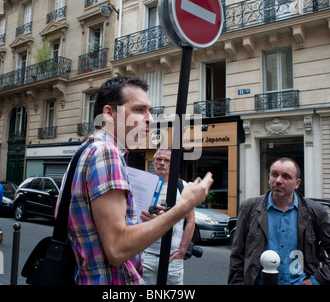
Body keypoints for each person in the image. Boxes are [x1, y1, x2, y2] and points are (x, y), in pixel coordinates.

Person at [55, 76, 213, 285]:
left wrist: (133, 219)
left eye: (149, 111)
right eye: (139, 110)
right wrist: (184, 206)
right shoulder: (106, 153)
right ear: (109, 113)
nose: (150, 119)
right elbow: (117, 249)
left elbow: (63, 214)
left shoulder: (85, 149)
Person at [228, 157, 330, 285]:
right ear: (269, 177)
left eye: (286, 177)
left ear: (297, 183)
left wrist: (316, 280)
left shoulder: (315, 211)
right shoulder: (249, 208)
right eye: (274, 175)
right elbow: (237, 257)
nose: (278, 181)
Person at [140, 148, 195, 285]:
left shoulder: (183, 187)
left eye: (167, 160)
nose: (162, 163)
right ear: (153, 161)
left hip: (173, 258)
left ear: (173, 163)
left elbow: (190, 221)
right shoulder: (145, 185)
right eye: (159, 159)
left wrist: (182, 250)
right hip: (147, 256)